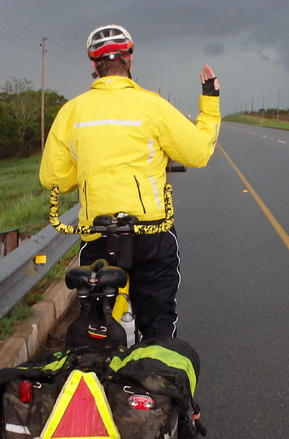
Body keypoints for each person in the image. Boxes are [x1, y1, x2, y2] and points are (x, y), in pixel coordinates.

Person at [40, 24, 220, 340]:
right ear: (130, 61)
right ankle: (155, 376)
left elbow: (54, 178)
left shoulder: (73, 111)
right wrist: (210, 101)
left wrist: (86, 172)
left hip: (97, 231)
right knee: (158, 321)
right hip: (150, 231)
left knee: (95, 322)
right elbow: (198, 152)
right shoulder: (152, 106)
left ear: (94, 66)